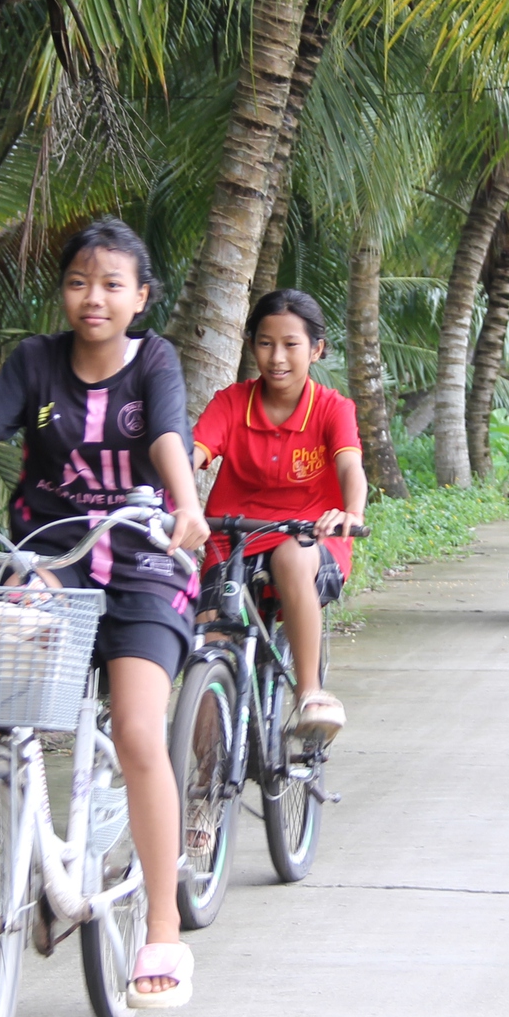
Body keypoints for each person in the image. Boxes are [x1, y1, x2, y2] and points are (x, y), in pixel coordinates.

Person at [0, 217, 209, 1010]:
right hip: (51, 561)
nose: (91, 297)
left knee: (136, 731)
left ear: (140, 297)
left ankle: (162, 926)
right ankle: (0, 802)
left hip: (140, 564)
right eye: (77, 282)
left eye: (110, 284)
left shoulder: (154, 361)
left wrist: (188, 506)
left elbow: (167, 437)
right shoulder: (33, 362)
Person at [189, 289, 368, 744]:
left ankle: (310, 693)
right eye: (266, 343)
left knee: (291, 557)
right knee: (211, 646)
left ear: (316, 349)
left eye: (291, 344)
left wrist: (350, 511)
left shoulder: (332, 408)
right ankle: (204, 788)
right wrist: (169, 494)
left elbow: (350, 467)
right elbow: (192, 453)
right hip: (232, 539)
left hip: (311, 537)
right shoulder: (231, 402)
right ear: (252, 346)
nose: (277, 357)